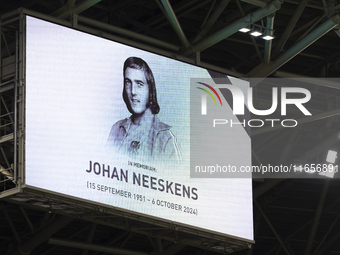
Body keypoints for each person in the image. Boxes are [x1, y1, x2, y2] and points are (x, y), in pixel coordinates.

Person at [107, 57, 181, 163]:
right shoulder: (116, 129)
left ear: (150, 89)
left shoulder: (165, 138)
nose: (133, 91)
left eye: (139, 84)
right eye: (128, 82)